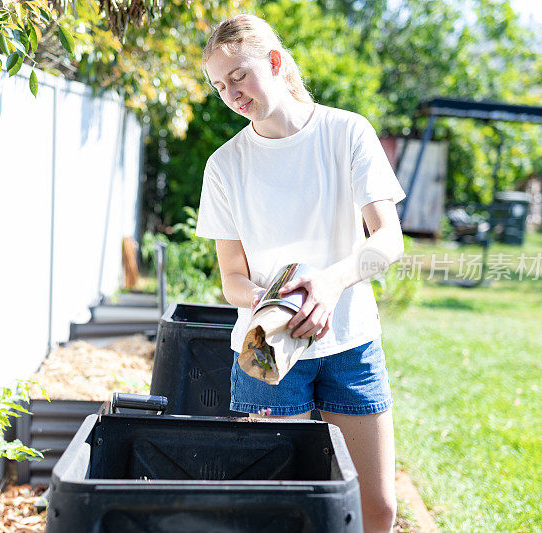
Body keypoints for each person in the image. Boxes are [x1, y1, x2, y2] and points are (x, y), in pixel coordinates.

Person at [195, 14, 406, 533]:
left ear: (273, 61)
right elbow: (231, 280)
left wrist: (328, 284)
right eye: (220, 86)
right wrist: (283, 304)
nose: (231, 93)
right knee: (276, 515)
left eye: (238, 76)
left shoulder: (347, 132)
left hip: (351, 346)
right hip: (267, 350)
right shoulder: (224, 166)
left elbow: (389, 242)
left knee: (377, 508)